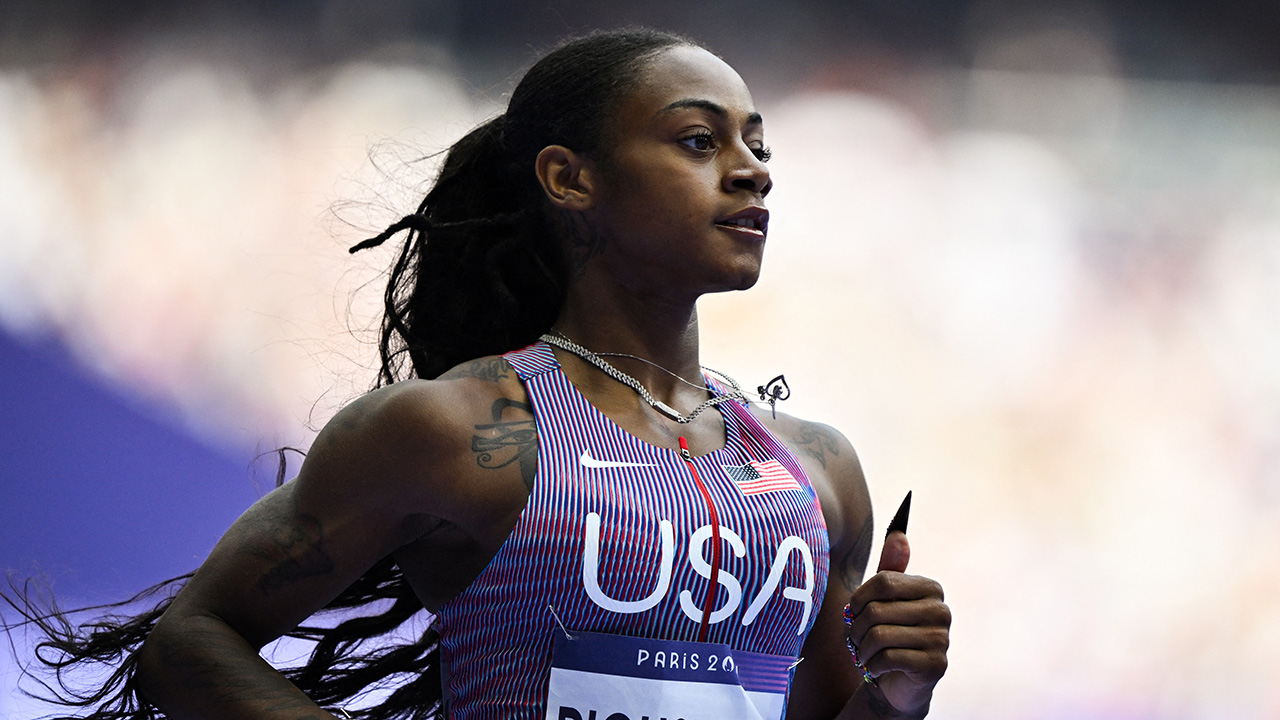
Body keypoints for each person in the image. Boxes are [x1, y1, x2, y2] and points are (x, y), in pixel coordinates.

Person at [8, 28, 950, 720]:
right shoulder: (460, 431)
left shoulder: (816, 471)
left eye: (758, 145)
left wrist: (899, 691)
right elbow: (190, 643)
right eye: (701, 141)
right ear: (568, 178)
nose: (753, 172)